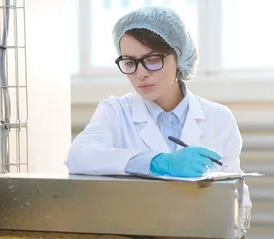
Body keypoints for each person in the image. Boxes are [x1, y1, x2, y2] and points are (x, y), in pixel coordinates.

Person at [65, 6, 251, 209]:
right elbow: (79, 156)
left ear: (179, 57)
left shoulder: (218, 117)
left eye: (153, 60)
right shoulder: (115, 111)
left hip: (203, 233)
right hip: (136, 232)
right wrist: (158, 162)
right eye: (129, 62)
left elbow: (237, 197)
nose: (140, 73)